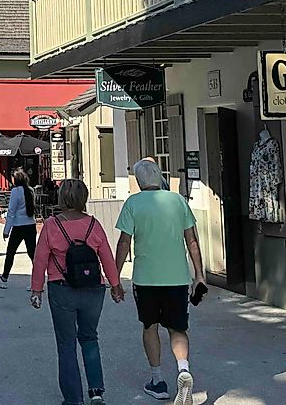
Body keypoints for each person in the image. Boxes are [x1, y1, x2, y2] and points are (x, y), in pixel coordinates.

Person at [114, 159, 206, 405]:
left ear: (139, 181)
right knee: (178, 328)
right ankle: (183, 369)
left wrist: (115, 277)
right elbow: (192, 241)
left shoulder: (133, 203)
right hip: (176, 277)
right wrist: (199, 274)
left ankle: (157, 380)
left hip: (146, 279)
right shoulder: (177, 200)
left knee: (150, 326)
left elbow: (124, 242)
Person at [31, 179, 123, 405]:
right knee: (90, 337)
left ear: (61, 198)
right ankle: (97, 391)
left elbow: (40, 259)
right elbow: (107, 258)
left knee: (66, 344)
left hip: (62, 288)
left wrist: (36, 289)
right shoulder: (94, 224)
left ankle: (73, 399)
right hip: (94, 289)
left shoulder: (52, 225)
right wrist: (115, 285)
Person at [0, 168, 37, 289]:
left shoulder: (15, 192)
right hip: (30, 224)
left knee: (11, 252)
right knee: (33, 253)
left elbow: (11, 212)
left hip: (18, 226)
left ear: (16, 179)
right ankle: (37, 281)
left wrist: (6, 230)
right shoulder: (30, 190)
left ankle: (4, 278)